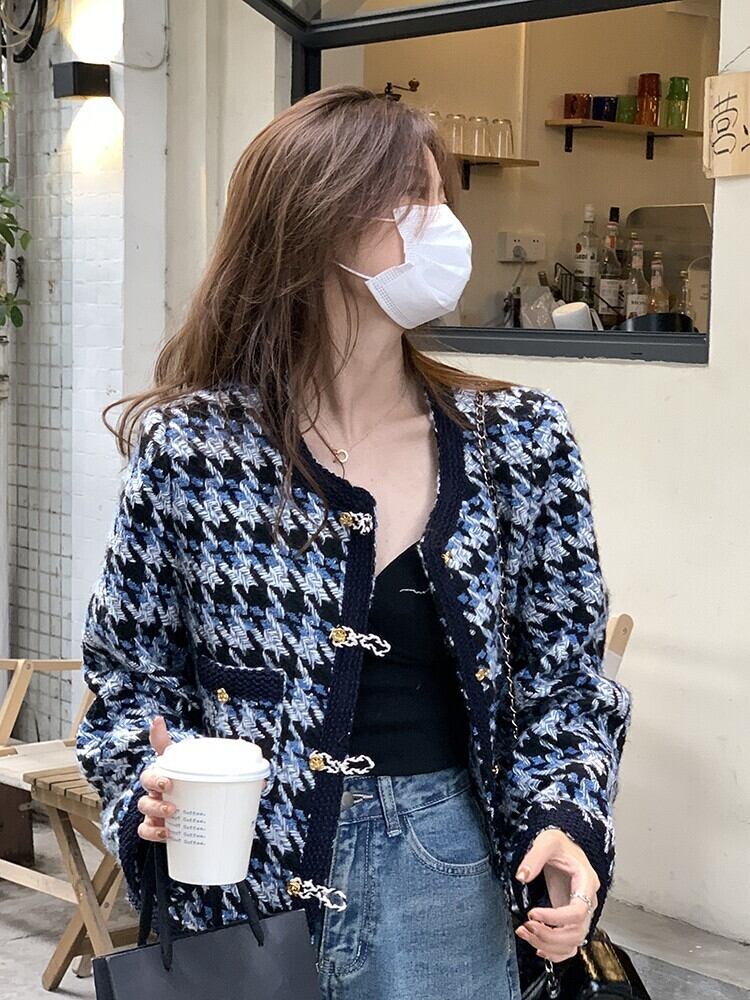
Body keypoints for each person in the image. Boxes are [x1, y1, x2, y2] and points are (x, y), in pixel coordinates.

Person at [76, 84, 632, 1000]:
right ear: (314, 222)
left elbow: (565, 684)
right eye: (411, 197)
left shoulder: (521, 440)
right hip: (241, 885)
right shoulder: (195, 448)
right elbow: (128, 675)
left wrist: (568, 820)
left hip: (448, 874)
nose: (443, 223)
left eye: (442, 195)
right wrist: (152, 779)